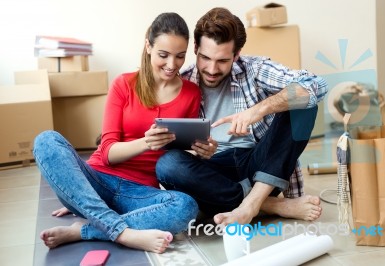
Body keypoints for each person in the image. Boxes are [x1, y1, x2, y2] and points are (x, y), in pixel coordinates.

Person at [33, 12, 201, 253]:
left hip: (140, 196)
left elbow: (181, 154)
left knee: (186, 207)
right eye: (163, 55)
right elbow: (108, 152)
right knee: (46, 140)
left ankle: (85, 230)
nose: (172, 65)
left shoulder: (191, 93)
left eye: (180, 56)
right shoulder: (123, 84)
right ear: (148, 46)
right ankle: (125, 233)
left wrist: (202, 150)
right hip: (99, 181)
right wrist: (77, 188)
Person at [156, 7, 328, 226]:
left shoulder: (254, 69)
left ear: (236, 55)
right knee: (168, 165)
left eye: (222, 61)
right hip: (213, 174)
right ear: (196, 48)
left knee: (303, 103)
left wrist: (258, 110)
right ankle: (270, 205)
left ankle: (251, 205)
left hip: (260, 165)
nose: (211, 69)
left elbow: (316, 85)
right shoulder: (182, 82)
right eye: (205, 58)